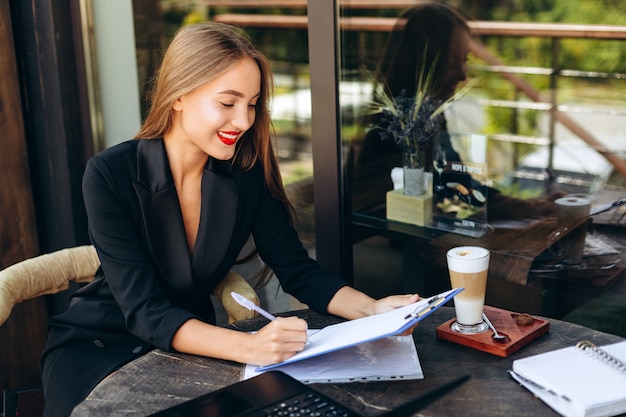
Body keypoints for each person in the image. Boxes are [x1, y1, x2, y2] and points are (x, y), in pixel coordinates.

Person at [40, 22, 420, 417]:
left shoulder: (243, 175)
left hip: (190, 347)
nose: (244, 121)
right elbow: (145, 311)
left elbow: (298, 271)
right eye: (228, 103)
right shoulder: (109, 174)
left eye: (252, 103)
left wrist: (374, 312)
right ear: (179, 95)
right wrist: (250, 346)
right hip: (97, 346)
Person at [352, 2, 472, 211]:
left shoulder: (429, 115)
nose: (463, 75)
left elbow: (458, 178)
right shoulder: (397, 128)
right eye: (452, 63)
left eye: (465, 60)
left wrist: (518, 207)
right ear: (423, 63)